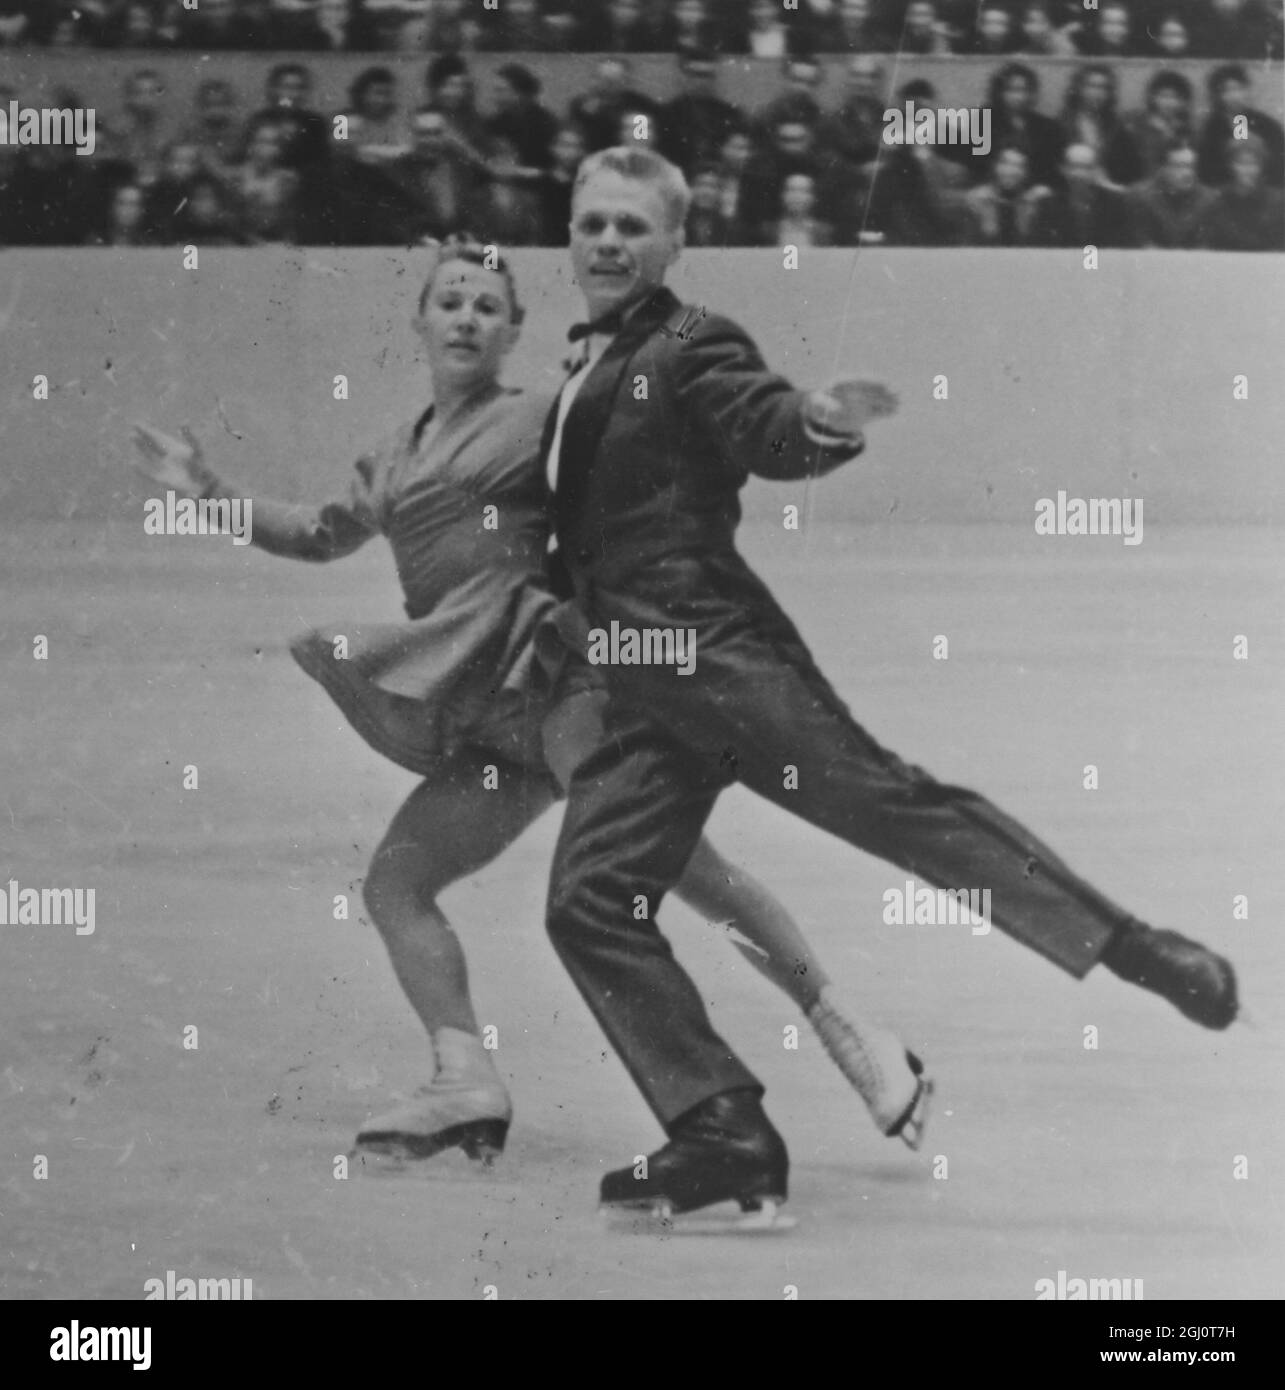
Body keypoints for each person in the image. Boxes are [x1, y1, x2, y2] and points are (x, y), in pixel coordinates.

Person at [537, 146, 1237, 1223]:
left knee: (881, 801)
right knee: (590, 899)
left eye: (634, 226)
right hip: (634, 681)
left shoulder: (690, 341)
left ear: (677, 243)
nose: (610, 243)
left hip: (709, 654)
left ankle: (1129, 943)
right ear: (570, 236)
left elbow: (762, 422)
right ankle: (719, 1127)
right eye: (594, 224)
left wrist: (816, 422)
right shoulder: (583, 362)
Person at [129, 236, 933, 1169]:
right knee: (398, 881)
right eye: (450, 301)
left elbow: (659, 431)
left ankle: (850, 1033)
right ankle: (464, 1078)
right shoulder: (390, 454)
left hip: (564, 680)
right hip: (488, 712)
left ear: (512, 330)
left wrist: (811, 422)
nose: (466, 316)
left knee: (683, 870)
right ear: (420, 321)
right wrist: (208, 492)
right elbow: (316, 534)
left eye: (486, 305)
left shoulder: (541, 416)